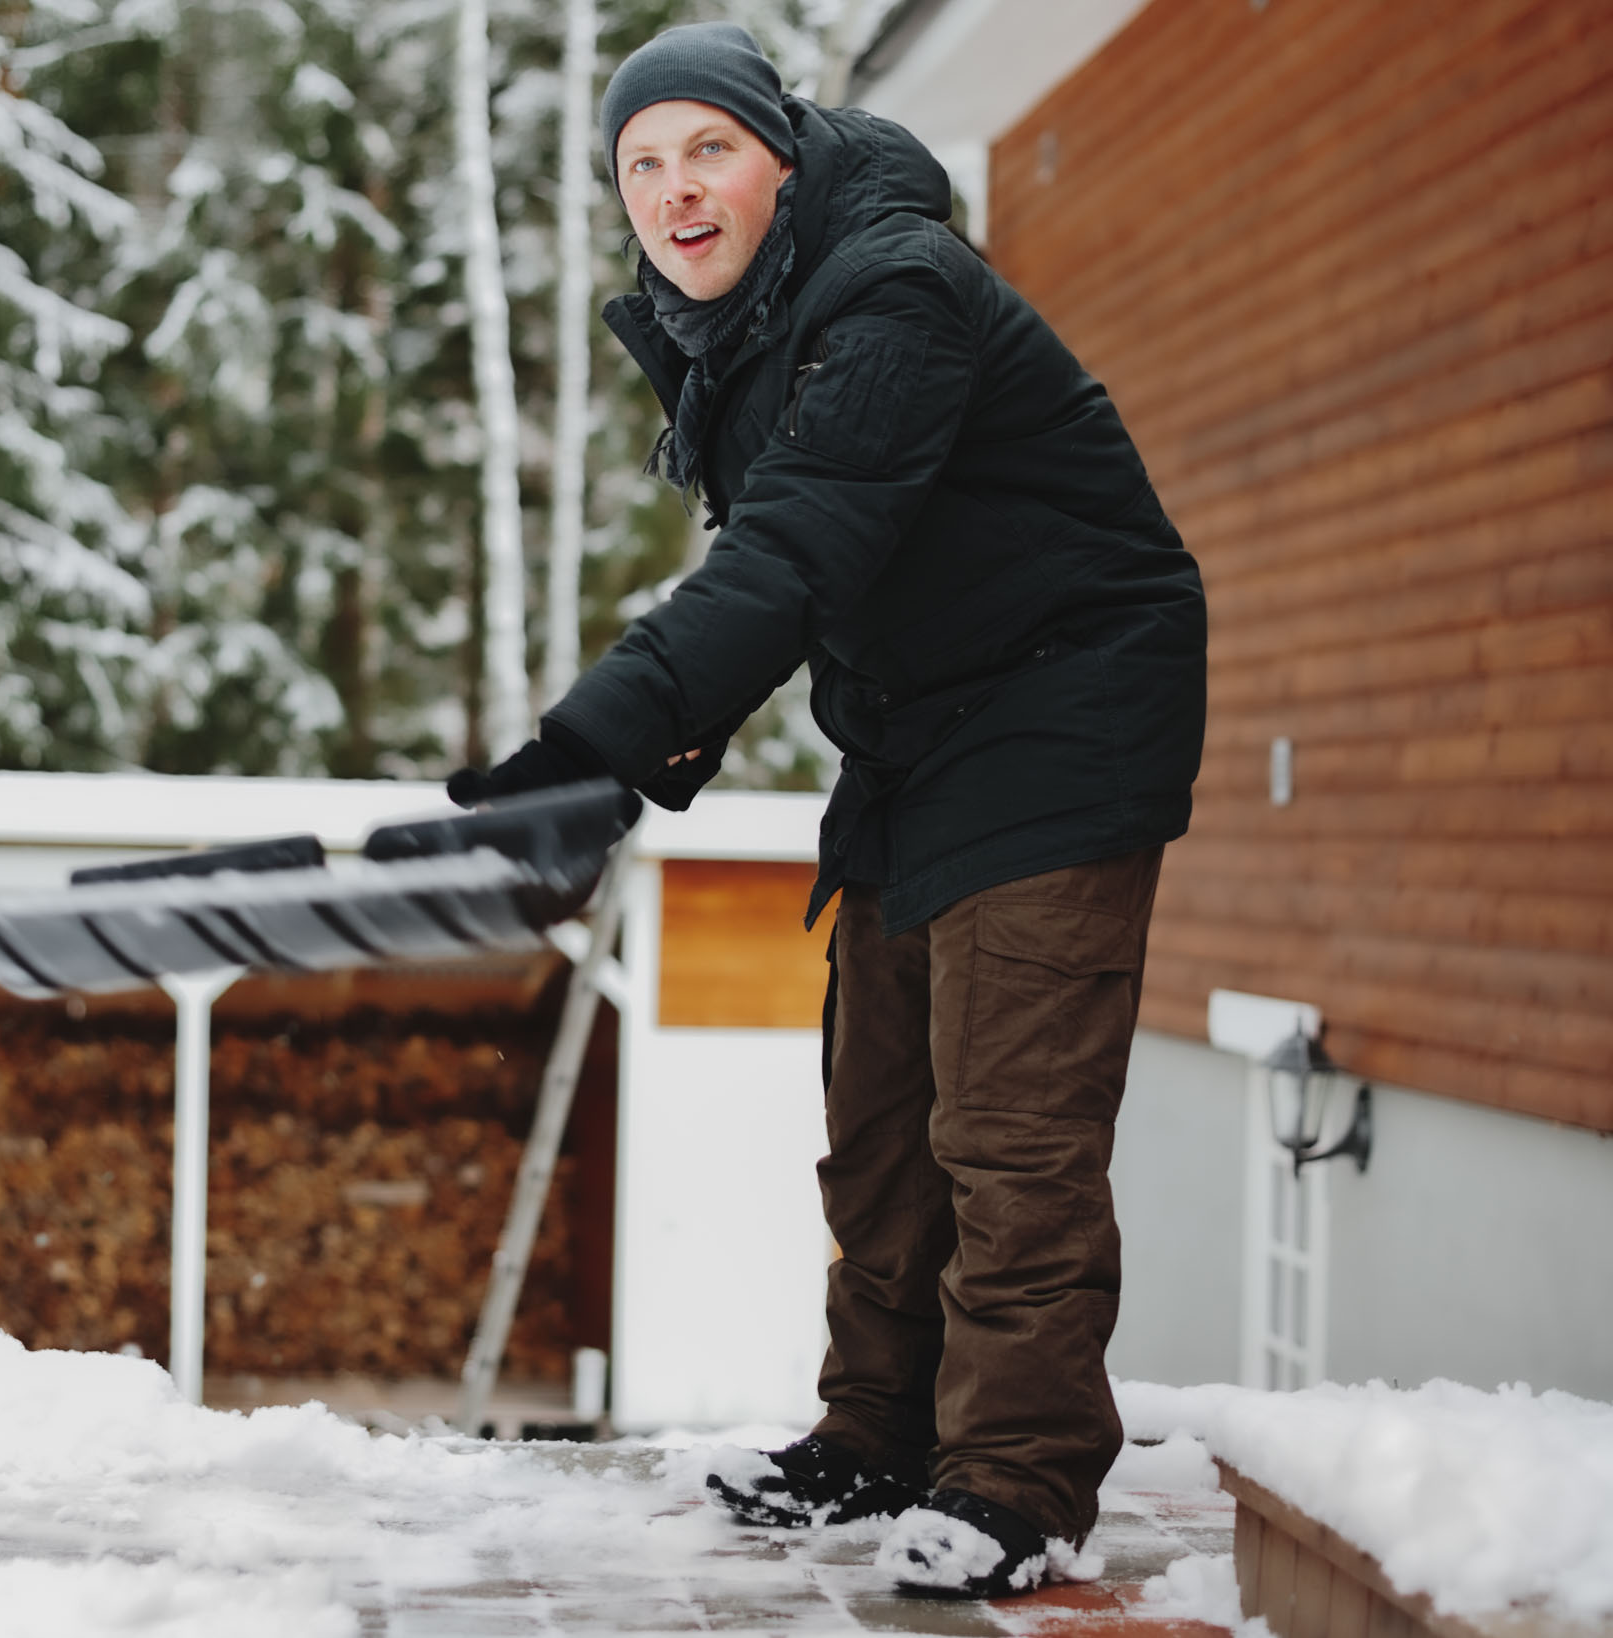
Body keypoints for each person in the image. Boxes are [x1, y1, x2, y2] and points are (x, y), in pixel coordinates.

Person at [447, 22, 1206, 1599]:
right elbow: (802, 582)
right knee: (879, 1124)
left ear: (779, 154)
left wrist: (591, 736)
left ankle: (1019, 1479)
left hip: (1065, 706)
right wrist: (640, 762)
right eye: (639, 166)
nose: (673, 190)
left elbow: (791, 554)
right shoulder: (748, 330)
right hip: (919, 731)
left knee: (1008, 1129)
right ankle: (873, 1433)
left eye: (705, 149)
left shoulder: (891, 290)